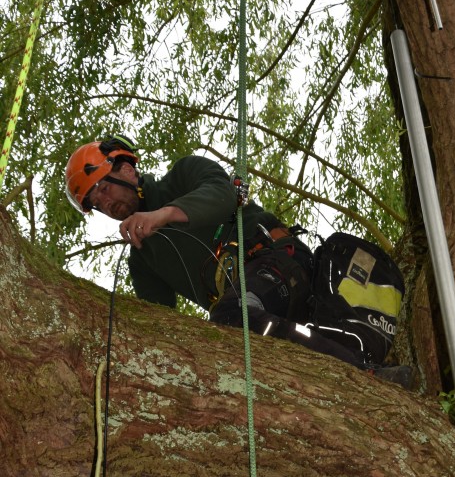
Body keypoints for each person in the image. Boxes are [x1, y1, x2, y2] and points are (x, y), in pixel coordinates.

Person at [65, 136, 411, 382]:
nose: (105, 204)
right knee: (230, 333)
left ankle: (364, 373)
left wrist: (164, 215)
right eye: (96, 203)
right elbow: (160, 323)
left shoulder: (183, 175)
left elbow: (222, 195)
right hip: (260, 313)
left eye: (104, 189)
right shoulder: (143, 261)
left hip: (278, 263)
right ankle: (341, 360)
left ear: (125, 169)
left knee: (230, 317)